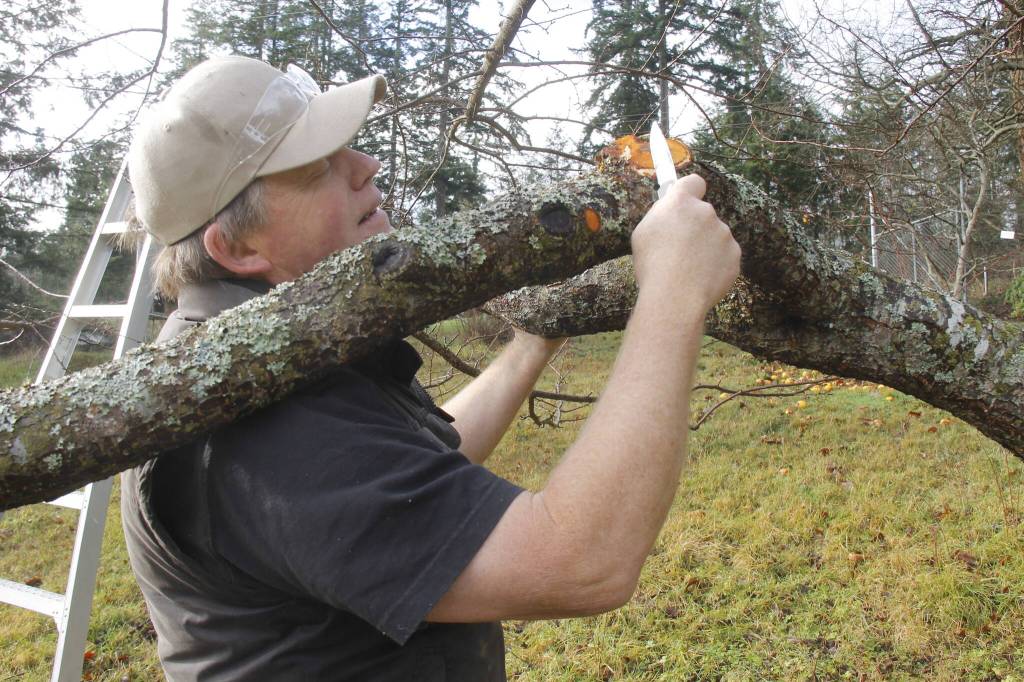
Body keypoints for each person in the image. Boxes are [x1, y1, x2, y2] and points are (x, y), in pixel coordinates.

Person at [121, 55, 740, 681]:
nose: (366, 166)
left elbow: (405, 474)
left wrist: (534, 339)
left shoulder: (279, 347)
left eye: (347, 148)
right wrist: (673, 296)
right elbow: (579, 561)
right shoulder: (254, 422)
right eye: (316, 169)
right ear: (236, 246)